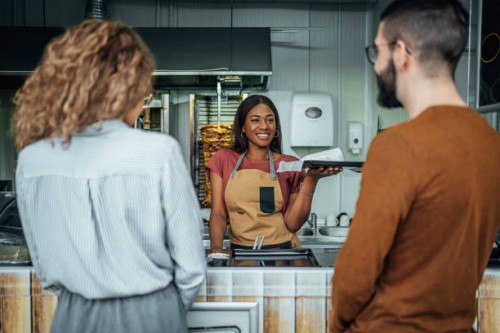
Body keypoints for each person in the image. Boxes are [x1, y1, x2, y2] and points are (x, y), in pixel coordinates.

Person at [12, 20, 206, 333]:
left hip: (73, 316)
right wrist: (156, 311)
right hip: (151, 313)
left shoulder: (32, 159)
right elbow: (192, 271)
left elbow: (45, 269)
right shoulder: (159, 151)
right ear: (129, 84)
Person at [330, 1, 500, 332]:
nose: (376, 65)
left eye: (377, 51)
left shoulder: (397, 146)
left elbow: (355, 276)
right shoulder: (491, 144)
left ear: (402, 52)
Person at [206, 94, 342, 253]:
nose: (264, 126)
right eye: (255, 120)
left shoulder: (289, 164)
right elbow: (218, 213)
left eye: (270, 120)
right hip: (239, 253)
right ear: (243, 126)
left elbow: (293, 224)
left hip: (283, 253)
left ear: (276, 126)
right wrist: (216, 248)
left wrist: (312, 179)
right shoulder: (223, 159)